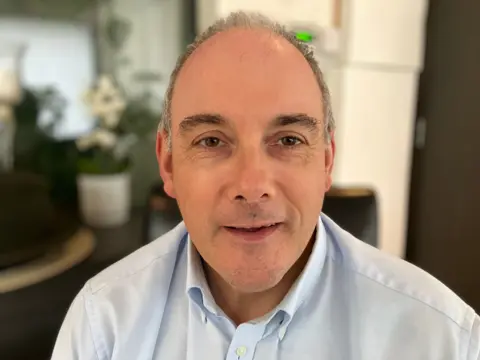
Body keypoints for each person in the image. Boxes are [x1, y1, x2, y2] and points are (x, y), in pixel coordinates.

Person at [51, 11, 480, 360]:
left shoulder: (443, 339)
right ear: (167, 163)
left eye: (289, 140)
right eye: (212, 141)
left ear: (327, 159)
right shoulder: (102, 322)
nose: (252, 187)